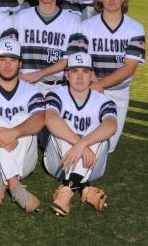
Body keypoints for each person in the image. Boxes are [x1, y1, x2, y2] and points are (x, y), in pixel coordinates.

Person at [0, 38, 45, 213]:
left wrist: (14, 132)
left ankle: (1, 181)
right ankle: (14, 184)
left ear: (20, 63)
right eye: (3, 60)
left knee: (23, 118)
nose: (7, 65)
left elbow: (41, 119)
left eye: (12, 60)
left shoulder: (32, 90)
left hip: (23, 163)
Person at [43, 52, 117, 216]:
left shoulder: (103, 100)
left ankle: (66, 190)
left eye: (85, 71)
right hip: (58, 165)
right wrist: (80, 143)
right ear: (66, 75)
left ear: (92, 75)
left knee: (99, 132)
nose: (80, 76)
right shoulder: (56, 94)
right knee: (63, 126)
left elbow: (111, 125)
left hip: (93, 166)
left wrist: (82, 144)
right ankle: (84, 188)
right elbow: (51, 119)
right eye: (75, 71)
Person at [80, 0, 146, 152]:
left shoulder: (135, 28)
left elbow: (129, 67)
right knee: (85, 137)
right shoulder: (86, 26)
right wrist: (93, 82)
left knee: (108, 146)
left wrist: (100, 83)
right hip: (89, 91)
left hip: (118, 92)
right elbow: (81, 60)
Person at [12, 0, 84, 95]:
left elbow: (70, 59)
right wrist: (16, 73)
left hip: (57, 88)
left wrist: (40, 74)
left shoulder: (72, 20)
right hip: (25, 85)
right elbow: (9, 52)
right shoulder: (21, 17)